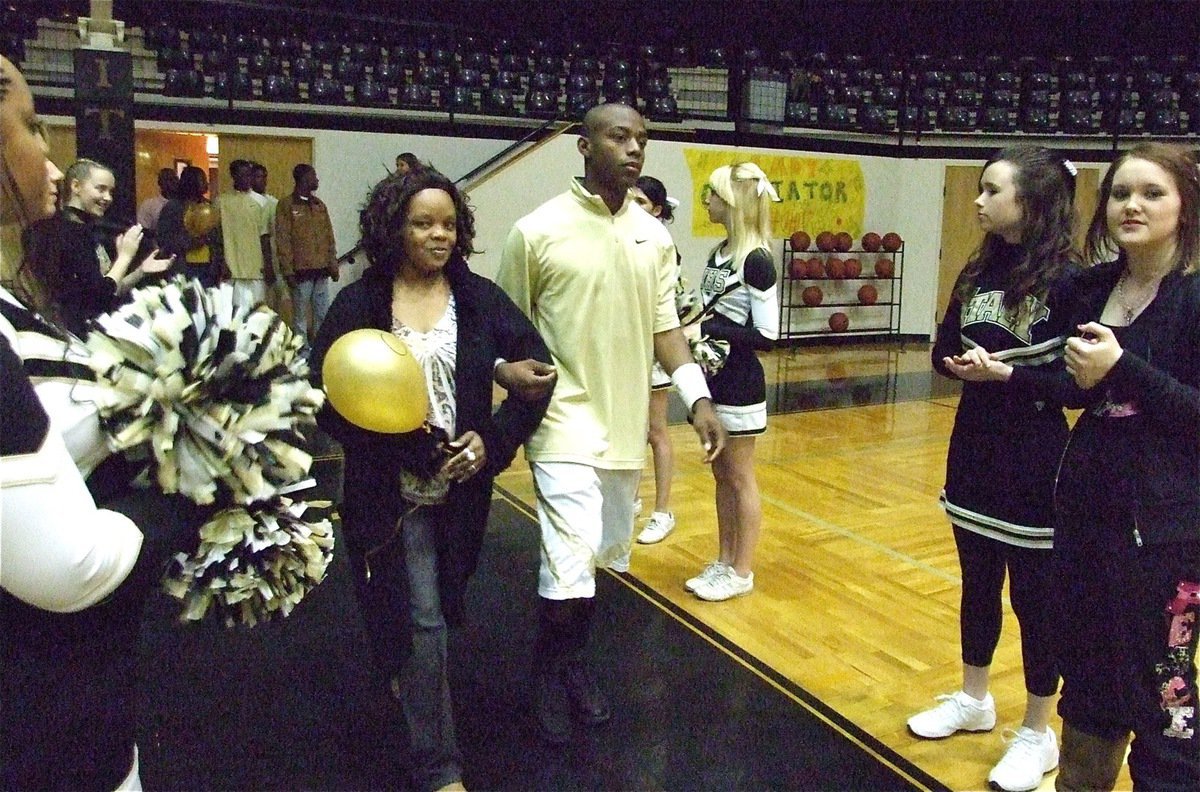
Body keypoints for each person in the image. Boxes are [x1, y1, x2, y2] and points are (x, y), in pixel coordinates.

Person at [311, 167, 554, 792]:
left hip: (463, 495)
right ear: (395, 228)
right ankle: (440, 769)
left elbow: (538, 374)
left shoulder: (477, 298)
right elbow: (329, 398)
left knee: (443, 603)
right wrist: (414, 448)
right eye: (423, 223)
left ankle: (407, 668)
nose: (438, 235)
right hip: (388, 497)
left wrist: (493, 440)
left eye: (448, 223)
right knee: (421, 618)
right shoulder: (361, 304)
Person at [0, 53, 201, 792]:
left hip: (76, 693)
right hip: (36, 713)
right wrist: (197, 495)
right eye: (28, 125)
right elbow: (70, 567)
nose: (47, 156)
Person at [495, 102, 726, 744]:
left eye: (642, 139)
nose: (633, 149)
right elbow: (503, 325)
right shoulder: (536, 231)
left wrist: (698, 399)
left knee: (597, 563)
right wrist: (501, 376)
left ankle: (570, 664)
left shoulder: (653, 236)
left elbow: (666, 330)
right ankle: (548, 675)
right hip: (561, 420)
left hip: (625, 425)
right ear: (583, 145)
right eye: (618, 136)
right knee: (567, 561)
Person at [907, 146, 1080, 792]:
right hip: (972, 450)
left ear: (1029, 202)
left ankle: (1039, 730)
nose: (978, 202)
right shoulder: (977, 270)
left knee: (1035, 600)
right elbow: (944, 344)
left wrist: (1006, 374)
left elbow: (1077, 384)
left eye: (990, 191)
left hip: (1034, 458)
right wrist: (950, 363)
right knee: (977, 583)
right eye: (977, 191)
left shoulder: (1071, 281)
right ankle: (974, 698)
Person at [1053, 142, 1200, 791]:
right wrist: (1015, 371)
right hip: (1087, 526)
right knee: (1088, 695)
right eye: (1120, 193)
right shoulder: (1091, 287)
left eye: (1151, 193)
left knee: (1163, 705)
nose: (1131, 205)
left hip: (1166, 541)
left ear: (1185, 206)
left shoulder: (1195, 299)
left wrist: (1123, 368)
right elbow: (1082, 391)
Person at [682, 162, 780, 602]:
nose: (707, 201)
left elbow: (767, 335)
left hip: (740, 381)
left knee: (740, 477)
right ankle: (723, 559)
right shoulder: (718, 251)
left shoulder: (756, 260)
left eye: (714, 194)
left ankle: (742, 569)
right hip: (713, 378)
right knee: (720, 475)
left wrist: (710, 331)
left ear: (734, 203)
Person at [18, 158, 173, 337]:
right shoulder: (64, 232)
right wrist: (125, 257)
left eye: (110, 191)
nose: (107, 198)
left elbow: (105, 289)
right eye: (100, 189)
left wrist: (141, 272)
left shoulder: (87, 230)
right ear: (76, 187)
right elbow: (99, 297)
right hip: (72, 335)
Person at [631, 174, 681, 544]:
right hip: (628, 350)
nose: (633, 209)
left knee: (655, 431)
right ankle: (628, 499)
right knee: (629, 431)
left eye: (642, 203)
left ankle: (662, 510)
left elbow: (667, 312)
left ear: (657, 210)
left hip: (656, 350)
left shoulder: (664, 249)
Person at [276, 163, 338, 341]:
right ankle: (301, 353)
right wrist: (287, 270)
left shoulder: (319, 205)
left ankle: (319, 351)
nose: (316, 180)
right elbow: (283, 239)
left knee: (322, 314)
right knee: (300, 318)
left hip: (322, 270)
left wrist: (332, 263)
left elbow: (329, 236)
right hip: (300, 272)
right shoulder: (286, 205)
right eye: (313, 176)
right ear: (303, 179)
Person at [216, 158, 272, 306]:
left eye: (249, 175)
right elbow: (217, 236)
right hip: (231, 269)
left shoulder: (261, 202)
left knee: (257, 313)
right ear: (233, 176)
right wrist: (222, 262)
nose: (246, 179)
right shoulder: (221, 202)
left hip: (255, 269)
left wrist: (268, 266)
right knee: (233, 315)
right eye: (242, 175)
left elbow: (264, 236)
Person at [158, 164, 222, 287]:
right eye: (203, 180)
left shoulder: (209, 206)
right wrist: (190, 242)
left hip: (208, 269)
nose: (206, 183)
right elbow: (164, 239)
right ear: (191, 182)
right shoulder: (173, 207)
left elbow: (217, 237)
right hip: (183, 269)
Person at [136, 166, 178, 235]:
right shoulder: (149, 205)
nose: (172, 183)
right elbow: (142, 230)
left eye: (174, 179)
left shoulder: (183, 204)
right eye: (167, 179)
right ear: (160, 182)